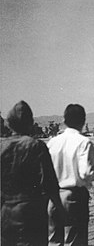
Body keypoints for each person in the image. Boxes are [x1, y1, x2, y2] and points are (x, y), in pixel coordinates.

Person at [1, 100, 65, 246]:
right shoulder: (37, 146)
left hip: (5, 215)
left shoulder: (1, 146)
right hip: (31, 215)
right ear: (30, 122)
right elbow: (50, 184)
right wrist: (59, 211)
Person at [47, 104, 94, 246]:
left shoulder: (53, 142)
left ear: (64, 120)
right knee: (74, 240)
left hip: (54, 194)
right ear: (83, 121)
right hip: (74, 196)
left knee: (53, 240)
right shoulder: (84, 142)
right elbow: (86, 173)